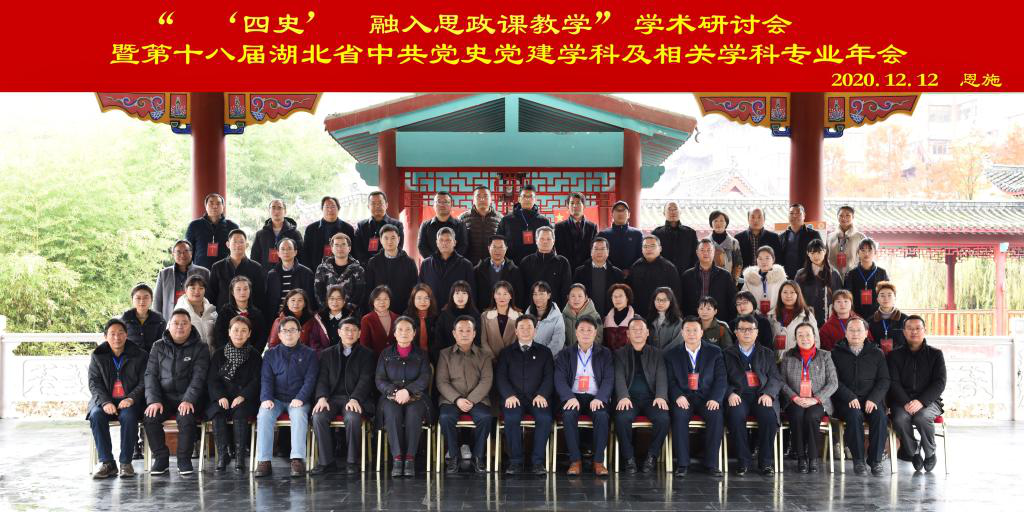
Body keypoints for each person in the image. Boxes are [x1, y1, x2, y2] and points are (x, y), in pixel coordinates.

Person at [143, 309, 211, 475]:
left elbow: (199, 377)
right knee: (150, 416)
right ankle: (161, 459)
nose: (180, 326)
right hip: (164, 398)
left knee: (186, 417)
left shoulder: (201, 347)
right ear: (169, 325)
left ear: (190, 326)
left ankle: (184, 460)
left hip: (190, 398)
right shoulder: (158, 346)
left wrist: (188, 400)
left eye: (184, 323)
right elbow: (150, 375)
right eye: (176, 323)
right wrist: (153, 400)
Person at [309, 317, 376, 475]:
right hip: (331, 398)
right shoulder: (327, 354)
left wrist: (355, 398)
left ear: (359, 333)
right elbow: (322, 379)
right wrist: (321, 397)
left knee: (352, 418)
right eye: (346, 329)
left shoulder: (367, 354)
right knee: (318, 416)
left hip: (354, 399)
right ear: (339, 332)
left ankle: (352, 461)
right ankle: (326, 462)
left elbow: (366, 380)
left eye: (354, 330)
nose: (350, 333)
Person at [254, 316, 319, 477]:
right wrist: (266, 398)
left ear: (299, 333)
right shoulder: (270, 354)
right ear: (279, 334)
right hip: (275, 399)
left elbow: (310, 380)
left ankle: (297, 459)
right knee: (264, 415)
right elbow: (266, 379)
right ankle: (264, 461)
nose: (289, 334)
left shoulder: (310, 354)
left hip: (298, 399)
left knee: (299, 415)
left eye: (293, 330)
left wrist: (301, 398)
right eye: (285, 331)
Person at [665, 316, 727, 477]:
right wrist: (678, 396)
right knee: (678, 416)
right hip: (684, 397)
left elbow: (721, 379)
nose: (691, 333)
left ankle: (711, 464)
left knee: (716, 416)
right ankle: (682, 464)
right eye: (688, 330)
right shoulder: (672, 354)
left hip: (707, 397)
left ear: (701, 332)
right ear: (682, 332)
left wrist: (715, 398)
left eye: (695, 330)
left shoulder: (715, 352)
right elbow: (670, 381)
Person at [495, 315, 555, 475]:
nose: (526, 330)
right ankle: (515, 462)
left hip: (538, 398)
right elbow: (500, 377)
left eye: (529, 327)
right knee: (511, 418)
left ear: (535, 331)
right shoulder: (506, 353)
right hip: (514, 398)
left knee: (545, 418)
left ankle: (537, 462)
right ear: (516, 331)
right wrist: (508, 395)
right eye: (522, 327)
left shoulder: (545, 352)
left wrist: (542, 394)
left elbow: (549, 376)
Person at [723, 314, 782, 476]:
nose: (746, 332)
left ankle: (766, 463)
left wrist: (769, 394)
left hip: (761, 394)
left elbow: (775, 378)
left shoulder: (767, 353)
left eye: (750, 329)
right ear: (736, 332)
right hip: (739, 395)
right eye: (742, 329)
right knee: (735, 415)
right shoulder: (726, 353)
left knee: (769, 417)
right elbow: (721, 378)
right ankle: (743, 461)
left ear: (757, 332)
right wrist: (730, 393)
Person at [830, 317, 890, 476]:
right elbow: (834, 381)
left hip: (871, 400)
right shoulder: (835, 353)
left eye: (859, 330)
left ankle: (875, 460)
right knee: (854, 416)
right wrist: (849, 397)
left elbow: (884, 380)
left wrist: (874, 398)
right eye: (851, 330)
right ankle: (858, 460)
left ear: (866, 333)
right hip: (846, 401)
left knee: (880, 417)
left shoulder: (877, 353)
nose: (855, 333)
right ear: (845, 333)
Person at [88, 318, 147, 479]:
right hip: (104, 399)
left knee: (129, 416)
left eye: (121, 333)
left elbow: (144, 381)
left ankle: (126, 463)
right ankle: (107, 463)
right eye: (112, 334)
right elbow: (94, 383)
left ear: (126, 335)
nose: (117, 337)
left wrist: (131, 398)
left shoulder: (140, 355)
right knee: (96, 415)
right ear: (105, 336)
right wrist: (105, 402)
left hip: (129, 400)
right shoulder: (98, 355)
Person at [554, 317, 613, 475]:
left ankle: (598, 462)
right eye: (582, 330)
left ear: (595, 333)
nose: (585, 333)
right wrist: (569, 397)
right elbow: (559, 379)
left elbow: (609, 379)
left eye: (589, 330)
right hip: (573, 396)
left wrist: (600, 398)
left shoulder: (605, 353)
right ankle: (575, 461)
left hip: (596, 396)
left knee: (602, 416)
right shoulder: (565, 354)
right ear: (576, 332)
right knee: (568, 415)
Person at [376, 316, 433, 477]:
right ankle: (397, 458)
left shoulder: (422, 354)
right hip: (390, 397)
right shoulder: (385, 354)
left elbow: (425, 378)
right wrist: (394, 392)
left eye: (408, 329)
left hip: (416, 396)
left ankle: (409, 459)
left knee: (414, 413)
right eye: (400, 329)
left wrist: (408, 391)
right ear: (394, 333)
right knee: (392, 413)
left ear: (414, 333)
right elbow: (379, 379)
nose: (404, 333)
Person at [888, 316, 946, 473]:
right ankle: (913, 450)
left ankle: (930, 452)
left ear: (924, 331)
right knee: (900, 419)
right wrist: (906, 402)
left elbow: (940, 383)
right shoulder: (894, 355)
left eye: (918, 328)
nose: (914, 332)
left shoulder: (935, 354)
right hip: (902, 401)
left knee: (922, 417)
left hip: (929, 401)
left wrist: (921, 401)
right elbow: (893, 382)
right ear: (904, 332)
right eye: (910, 328)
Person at [436, 315, 493, 474]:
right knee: (445, 417)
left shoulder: (484, 355)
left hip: (478, 400)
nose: (464, 334)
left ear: (474, 333)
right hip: (451, 400)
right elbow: (442, 381)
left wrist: (471, 400)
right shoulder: (445, 354)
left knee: (485, 417)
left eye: (468, 330)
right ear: (454, 333)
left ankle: (478, 456)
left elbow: (486, 380)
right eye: (460, 330)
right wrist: (458, 399)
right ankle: (453, 456)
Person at [779, 322, 838, 473]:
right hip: (794, 400)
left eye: (808, 335)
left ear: (814, 337)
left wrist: (815, 399)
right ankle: (801, 457)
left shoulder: (825, 355)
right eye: (800, 335)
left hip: (818, 401)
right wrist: (794, 397)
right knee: (797, 415)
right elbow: (781, 382)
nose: (804, 338)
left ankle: (813, 458)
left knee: (812, 416)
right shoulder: (787, 356)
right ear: (795, 338)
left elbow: (833, 383)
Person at [613, 317, 670, 474]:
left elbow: (662, 375)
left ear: (647, 333)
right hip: (629, 398)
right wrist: (623, 396)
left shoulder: (657, 353)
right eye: (634, 329)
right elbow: (618, 376)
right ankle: (628, 458)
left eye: (641, 329)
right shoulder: (620, 354)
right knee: (622, 418)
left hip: (652, 398)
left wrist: (661, 396)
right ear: (628, 334)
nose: (637, 332)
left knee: (663, 418)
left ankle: (652, 456)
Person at [206, 316, 262, 472]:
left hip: (245, 398)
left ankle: (239, 457)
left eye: (244, 331)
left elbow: (257, 380)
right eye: (235, 330)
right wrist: (220, 396)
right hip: (223, 397)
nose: (239, 334)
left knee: (241, 412)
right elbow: (212, 380)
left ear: (249, 333)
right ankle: (222, 455)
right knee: (217, 412)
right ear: (229, 332)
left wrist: (243, 395)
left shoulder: (254, 355)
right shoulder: (219, 354)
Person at [207, 229, 268, 312]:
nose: (238, 245)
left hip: (248, 315)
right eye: (235, 242)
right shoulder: (217, 267)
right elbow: (211, 295)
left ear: (246, 245)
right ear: (228, 244)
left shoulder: (256, 267)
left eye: (241, 242)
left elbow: (260, 296)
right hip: (223, 314)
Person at [364, 224, 418, 314]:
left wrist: (409, 311)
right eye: (386, 238)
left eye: (393, 238)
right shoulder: (373, 262)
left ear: (399, 239)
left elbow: (414, 289)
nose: (389, 241)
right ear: (380, 240)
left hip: (403, 311)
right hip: (379, 311)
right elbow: (369, 289)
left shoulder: (409, 262)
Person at [680, 239, 737, 323]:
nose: (706, 253)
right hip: (693, 321)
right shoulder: (687, 276)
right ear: (697, 252)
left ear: (714, 252)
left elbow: (732, 301)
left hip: (719, 321)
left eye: (709, 250)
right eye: (702, 250)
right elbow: (682, 301)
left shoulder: (725, 275)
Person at [153, 240, 210, 321]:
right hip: (170, 319)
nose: (182, 255)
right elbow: (157, 300)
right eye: (178, 252)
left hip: (196, 319)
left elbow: (209, 298)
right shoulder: (164, 274)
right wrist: (157, 322)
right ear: (173, 254)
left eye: (186, 251)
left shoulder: (204, 272)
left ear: (191, 253)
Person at [628, 234, 682, 318]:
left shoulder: (669, 268)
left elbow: (676, 295)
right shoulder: (635, 266)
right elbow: (630, 292)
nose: (648, 249)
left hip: (662, 314)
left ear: (660, 248)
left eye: (652, 246)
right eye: (645, 246)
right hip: (639, 314)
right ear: (641, 249)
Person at [420, 227, 475, 308]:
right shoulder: (426, 264)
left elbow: (472, 293)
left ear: (454, 242)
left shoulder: (466, 265)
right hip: (432, 310)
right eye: (441, 240)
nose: (444, 243)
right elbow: (420, 290)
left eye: (448, 240)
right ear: (437, 243)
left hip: (457, 311)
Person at [497, 184, 552, 264]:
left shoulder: (544, 222)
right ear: (519, 199)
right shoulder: (506, 220)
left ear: (535, 199)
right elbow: (498, 242)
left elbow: (551, 245)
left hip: (537, 265)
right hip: (512, 265)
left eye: (530, 196)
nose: (527, 199)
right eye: (524, 196)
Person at [212, 275, 268, 353]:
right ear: (232, 292)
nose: (242, 292)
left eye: (245, 289)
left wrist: (253, 353)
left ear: (250, 291)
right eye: (238, 289)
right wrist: (229, 353)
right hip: (227, 354)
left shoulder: (257, 313)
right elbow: (219, 336)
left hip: (252, 355)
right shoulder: (225, 312)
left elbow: (262, 337)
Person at [572, 237, 625, 318]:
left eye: (603, 249)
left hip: (610, 317)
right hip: (585, 317)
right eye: (596, 249)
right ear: (591, 252)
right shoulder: (580, 272)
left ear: (608, 252)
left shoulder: (617, 274)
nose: (599, 252)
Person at [795, 239, 843, 328]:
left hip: (829, 317)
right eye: (812, 253)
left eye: (819, 252)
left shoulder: (834, 273)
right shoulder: (801, 274)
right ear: (808, 254)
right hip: (807, 317)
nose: (816, 256)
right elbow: (797, 297)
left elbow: (839, 297)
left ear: (825, 252)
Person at [519, 226, 573, 305]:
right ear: (536, 241)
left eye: (548, 239)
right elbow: (521, 289)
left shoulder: (563, 262)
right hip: (531, 308)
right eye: (542, 239)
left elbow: (566, 290)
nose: (545, 242)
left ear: (553, 241)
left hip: (555, 308)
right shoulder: (526, 261)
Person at [185, 193, 239, 269]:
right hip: (200, 270)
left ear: (223, 206)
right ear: (205, 206)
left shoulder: (232, 226)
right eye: (211, 203)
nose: (215, 206)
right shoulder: (194, 225)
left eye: (218, 203)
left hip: (226, 270)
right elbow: (188, 249)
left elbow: (238, 250)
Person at [302, 195, 356, 271]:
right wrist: (309, 271)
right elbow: (305, 253)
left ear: (338, 209)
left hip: (342, 271)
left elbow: (353, 252)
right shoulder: (311, 229)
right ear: (322, 209)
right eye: (327, 207)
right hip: (317, 270)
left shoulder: (347, 228)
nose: (330, 210)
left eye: (333, 207)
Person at [266, 238, 317, 317]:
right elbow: (269, 301)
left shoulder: (306, 273)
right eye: (283, 249)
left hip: (299, 317)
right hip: (277, 317)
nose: (286, 252)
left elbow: (310, 300)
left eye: (289, 248)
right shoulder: (272, 275)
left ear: (295, 252)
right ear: (278, 253)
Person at [474, 234, 527, 311]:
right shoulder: (478, 270)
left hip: (507, 312)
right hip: (483, 311)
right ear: (488, 248)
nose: (497, 250)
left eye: (501, 247)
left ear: (506, 249)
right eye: (494, 247)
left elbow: (519, 295)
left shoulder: (515, 270)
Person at [433, 280, 480, 365]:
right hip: (448, 358)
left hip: (471, 359)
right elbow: (439, 341)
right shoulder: (444, 315)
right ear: (452, 296)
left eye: (464, 293)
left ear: (469, 296)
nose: (460, 297)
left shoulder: (475, 315)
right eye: (457, 293)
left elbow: (478, 340)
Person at [313, 233, 365, 310]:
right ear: (331, 248)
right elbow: (318, 292)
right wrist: (328, 309)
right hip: (327, 311)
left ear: (349, 248)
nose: (340, 248)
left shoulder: (358, 269)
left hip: (351, 313)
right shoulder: (322, 268)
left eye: (343, 245)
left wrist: (346, 311)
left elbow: (359, 293)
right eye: (336, 245)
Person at [843, 237, 890, 320]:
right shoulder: (851, 274)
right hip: (856, 315)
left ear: (875, 253)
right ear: (858, 253)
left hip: (878, 315)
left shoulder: (882, 273)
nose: (866, 253)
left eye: (869, 250)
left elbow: (888, 293)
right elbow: (846, 295)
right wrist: (850, 311)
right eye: (863, 250)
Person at [652, 201, 699, 280]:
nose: (673, 212)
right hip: (663, 276)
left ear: (680, 212)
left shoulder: (690, 233)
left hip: (686, 276)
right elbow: (653, 257)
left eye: (675, 209)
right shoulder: (656, 233)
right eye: (669, 209)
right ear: (664, 213)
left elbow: (696, 257)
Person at [354, 191, 404, 265]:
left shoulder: (397, 225)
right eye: (373, 203)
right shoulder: (361, 226)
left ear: (386, 205)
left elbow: (398, 248)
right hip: (366, 267)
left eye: (380, 203)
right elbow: (358, 250)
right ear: (368, 206)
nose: (377, 206)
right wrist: (369, 265)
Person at [250, 199, 303, 268]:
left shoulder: (295, 233)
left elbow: (302, 257)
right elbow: (254, 258)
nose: (276, 211)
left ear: (285, 211)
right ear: (269, 211)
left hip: (289, 272)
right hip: (266, 273)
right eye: (273, 208)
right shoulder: (260, 234)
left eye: (279, 208)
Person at [770, 280, 818, 353]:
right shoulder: (771, 315)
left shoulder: (807, 315)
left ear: (798, 294)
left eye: (792, 292)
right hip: (776, 358)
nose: (788, 296)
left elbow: (816, 341)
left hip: (799, 358)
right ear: (780, 294)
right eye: (785, 292)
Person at [417, 191, 469, 258]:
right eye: (439, 202)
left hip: (455, 263)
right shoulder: (425, 226)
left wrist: (451, 260)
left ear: (451, 205)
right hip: (432, 263)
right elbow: (422, 247)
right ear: (433, 205)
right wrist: (435, 261)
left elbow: (463, 246)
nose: (442, 205)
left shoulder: (460, 225)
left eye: (445, 202)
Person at [554, 192, 598, 271]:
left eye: (578, 203)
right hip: (566, 269)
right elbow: (559, 251)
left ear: (584, 206)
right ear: (568, 206)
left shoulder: (592, 227)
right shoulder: (559, 227)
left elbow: (594, 250)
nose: (575, 205)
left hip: (586, 270)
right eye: (572, 203)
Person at [458, 185, 501, 266]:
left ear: (491, 199)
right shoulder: (462, 218)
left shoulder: (500, 218)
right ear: (473, 200)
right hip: (469, 265)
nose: (482, 199)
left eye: (485, 196)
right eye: (478, 196)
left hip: (492, 265)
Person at [597, 200, 643, 274]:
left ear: (629, 215)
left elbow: (641, 256)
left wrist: (631, 270)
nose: (620, 213)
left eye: (623, 210)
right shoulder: (603, 234)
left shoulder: (637, 234)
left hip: (633, 274)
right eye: (617, 210)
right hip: (610, 273)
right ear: (612, 214)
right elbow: (600, 255)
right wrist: (614, 270)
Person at [779, 203, 823, 279]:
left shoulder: (813, 235)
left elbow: (821, 255)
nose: (794, 216)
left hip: (807, 277)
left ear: (804, 216)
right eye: (791, 213)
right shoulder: (781, 237)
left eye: (798, 213)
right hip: (786, 278)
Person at [740, 246, 787, 316]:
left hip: (777, 315)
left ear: (773, 259)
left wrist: (773, 313)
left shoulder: (781, 277)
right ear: (756, 260)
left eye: (767, 258)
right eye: (760, 258)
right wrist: (756, 313)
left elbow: (786, 298)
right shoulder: (750, 278)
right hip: (754, 316)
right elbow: (744, 298)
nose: (763, 261)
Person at [480, 281, 522, 359]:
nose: (501, 297)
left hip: (512, 360)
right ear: (494, 296)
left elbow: (521, 340)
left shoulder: (519, 316)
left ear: (511, 296)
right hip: (490, 360)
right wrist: (492, 358)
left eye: (505, 294)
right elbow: (483, 341)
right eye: (498, 294)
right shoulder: (484, 316)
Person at [735, 208, 782, 276]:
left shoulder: (773, 237)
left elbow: (778, 260)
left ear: (764, 219)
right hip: (745, 277)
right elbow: (736, 261)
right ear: (748, 219)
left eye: (759, 217)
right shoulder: (738, 238)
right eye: (753, 217)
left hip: (768, 277)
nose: (756, 220)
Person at [174, 275, 217, 347]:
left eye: (201, 288)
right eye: (193, 288)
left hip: (211, 353)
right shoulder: (179, 311)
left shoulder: (211, 311)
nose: (197, 291)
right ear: (186, 290)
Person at [526, 280, 567, 356]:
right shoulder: (528, 311)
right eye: (535, 294)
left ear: (549, 295)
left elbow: (557, 343)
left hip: (549, 358)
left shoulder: (557, 316)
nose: (538, 297)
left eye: (541, 294)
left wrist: (542, 357)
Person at [122, 283, 166, 353]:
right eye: (138, 298)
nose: (142, 301)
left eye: (146, 297)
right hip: (130, 357)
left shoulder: (159, 319)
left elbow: (162, 344)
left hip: (153, 357)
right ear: (132, 300)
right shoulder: (125, 318)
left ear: (151, 299)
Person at [826, 205, 865, 280]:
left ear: (853, 217)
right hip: (832, 277)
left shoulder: (860, 237)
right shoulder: (829, 237)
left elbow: (864, 258)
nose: (844, 218)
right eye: (841, 215)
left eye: (847, 215)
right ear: (837, 217)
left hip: (854, 276)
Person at [869, 281, 906, 354]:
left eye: (889, 295)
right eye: (882, 295)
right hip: (877, 358)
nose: (886, 298)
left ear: (895, 298)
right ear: (877, 299)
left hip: (900, 357)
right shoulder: (870, 321)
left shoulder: (905, 320)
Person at [360, 285, 399, 356]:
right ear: (373, 301)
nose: (382, 302)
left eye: (385, 299)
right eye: (378, 299)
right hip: (374, 360)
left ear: (390, 300)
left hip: (395, 360)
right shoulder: (366, 319)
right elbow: (364, 346)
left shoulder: (397, 318)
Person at [405, 284, 440, 359]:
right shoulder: (406, 317)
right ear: (413, 299)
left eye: (426, 298)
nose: (423, 301)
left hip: (433, 356)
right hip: (412, 357)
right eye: (419, 298)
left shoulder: (437, 317)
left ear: (431, 300)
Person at [562, 283, 603, 348]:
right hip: (567, 353)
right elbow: (560, 338)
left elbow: (598, 339)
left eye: (580, 296)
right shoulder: (563, 316)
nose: (576, 299)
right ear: (568, 297)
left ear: (586, 297)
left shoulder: (594, 316)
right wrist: (567, 352)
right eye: (573, 296)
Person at [708, 210, 743, 280]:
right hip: (709, 279)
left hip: (728, 280)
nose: (718, 223)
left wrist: (734, 281)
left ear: (726, 223)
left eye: (721, 221)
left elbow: (738, 264)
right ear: (711, 223)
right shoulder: (705, 242)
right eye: (715, 221)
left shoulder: (734, 242)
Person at [602, 283, 637, 352]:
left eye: (620, 296)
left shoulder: (636, 320)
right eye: (614, 296)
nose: (617, 299)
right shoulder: (605, 320)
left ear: (627, 298)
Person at [647, 287, 684, 352]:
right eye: (658, 299)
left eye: (664, 300)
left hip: (670, 357)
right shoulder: (648, 320)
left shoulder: (678, 322)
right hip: (650, 357)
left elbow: (677, 343)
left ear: (670, 302)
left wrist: (660, 355)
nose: (660, 303)